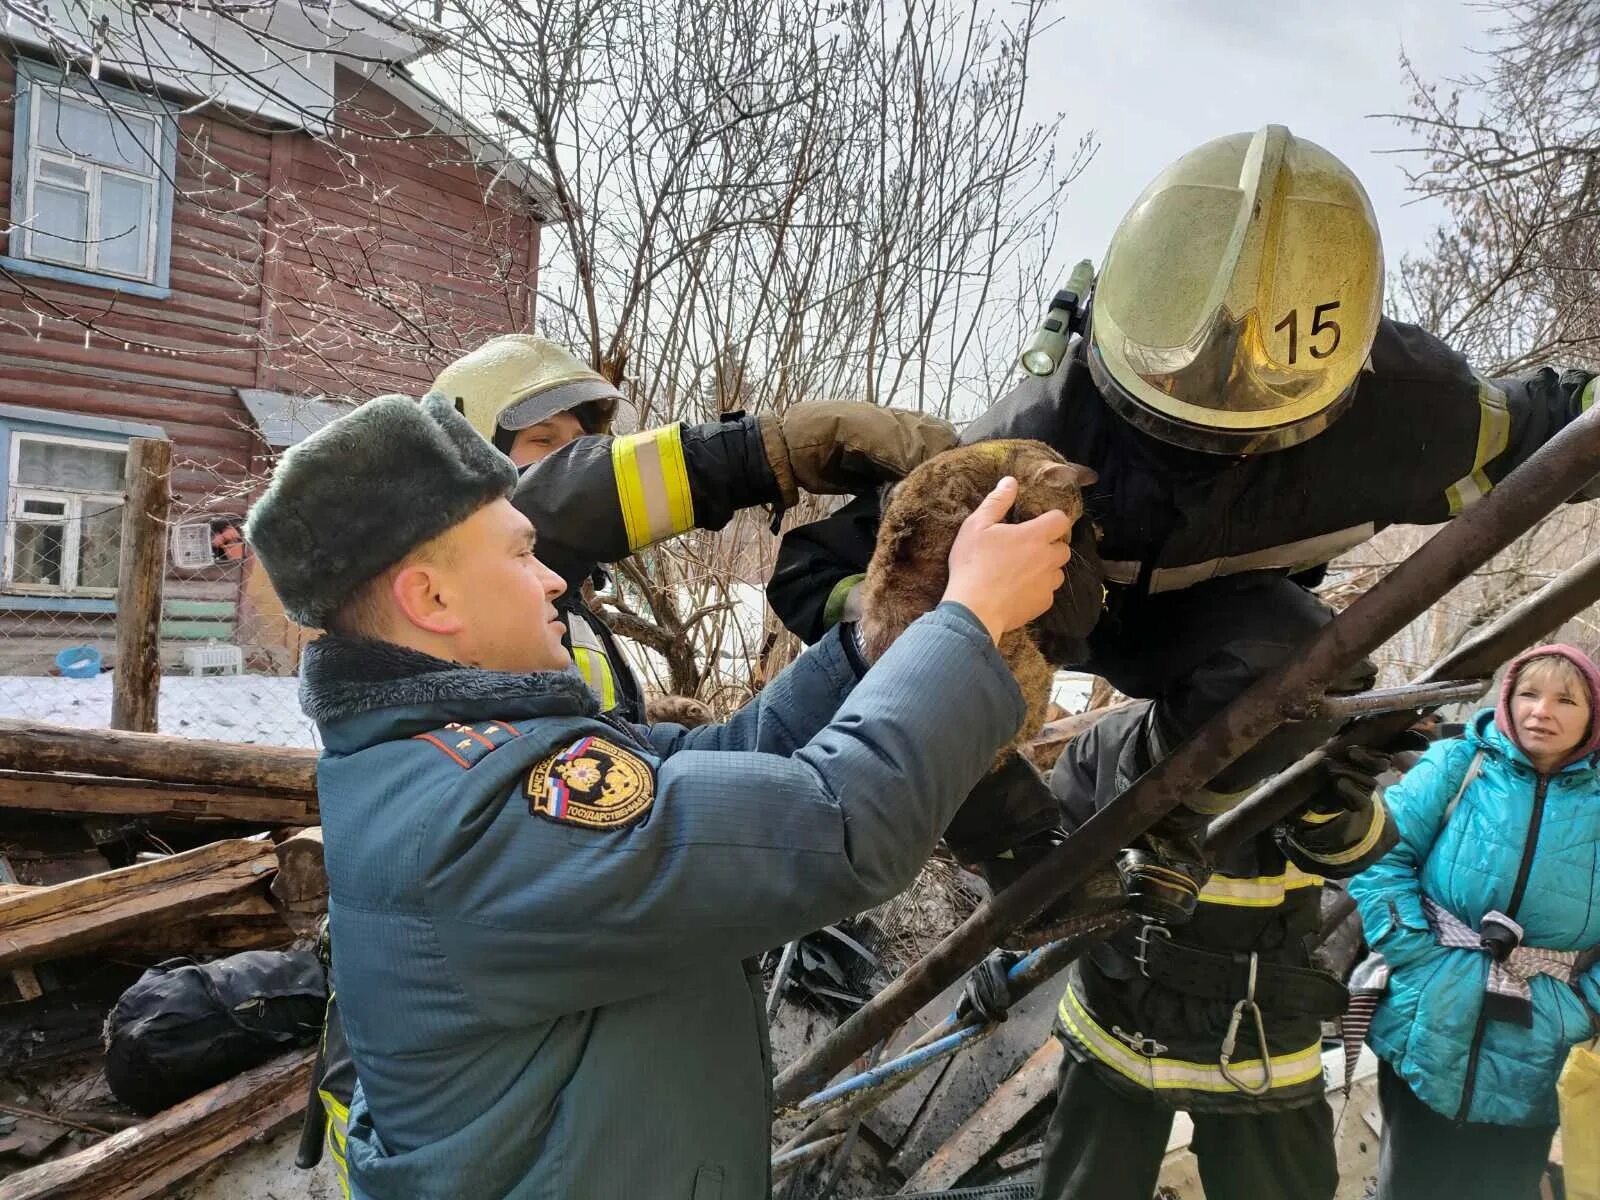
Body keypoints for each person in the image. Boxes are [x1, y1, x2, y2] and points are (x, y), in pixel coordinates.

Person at [764, 124, 1599, 1198]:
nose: (1211, 455)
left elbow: (1548, 421)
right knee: (922, 632)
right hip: (1067, 610)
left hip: (1241, 648)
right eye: (1179, 427)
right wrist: (961, 627)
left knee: (1297, 672)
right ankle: (1029, 854)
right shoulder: (1030, 430)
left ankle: (1171, 783)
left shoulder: (1413, 413)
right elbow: (816, 582)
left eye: (1250, 438)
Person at [243, 393, 1073, 1199]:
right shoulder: (477, 816)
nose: (553, 582)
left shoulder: (466, 754)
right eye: (520, 554)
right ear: (432, 599)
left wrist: (878, 639)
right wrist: (969, 618)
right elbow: (834, 827)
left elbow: (730, 761)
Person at [430, 333, 957, 721]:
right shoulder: (445, 584)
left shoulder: (559, 610)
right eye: (544, 442)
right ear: (470, 463)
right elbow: (557, 496)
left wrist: (638, 726)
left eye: (580, 441)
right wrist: (769, 448)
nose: (569, 457)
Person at [1350, 645, 1600, 1200]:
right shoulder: (1461, 764)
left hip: (1544, 1029)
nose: (1542, 711)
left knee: (1504, 1183)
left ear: (1593, 715)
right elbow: (1378, 853)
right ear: (1507, 700)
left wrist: (1587, 1005)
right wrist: (1411, 950)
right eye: (1528, 694)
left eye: (1565, 700)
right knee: (1411, 1179)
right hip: (1430, 1008)